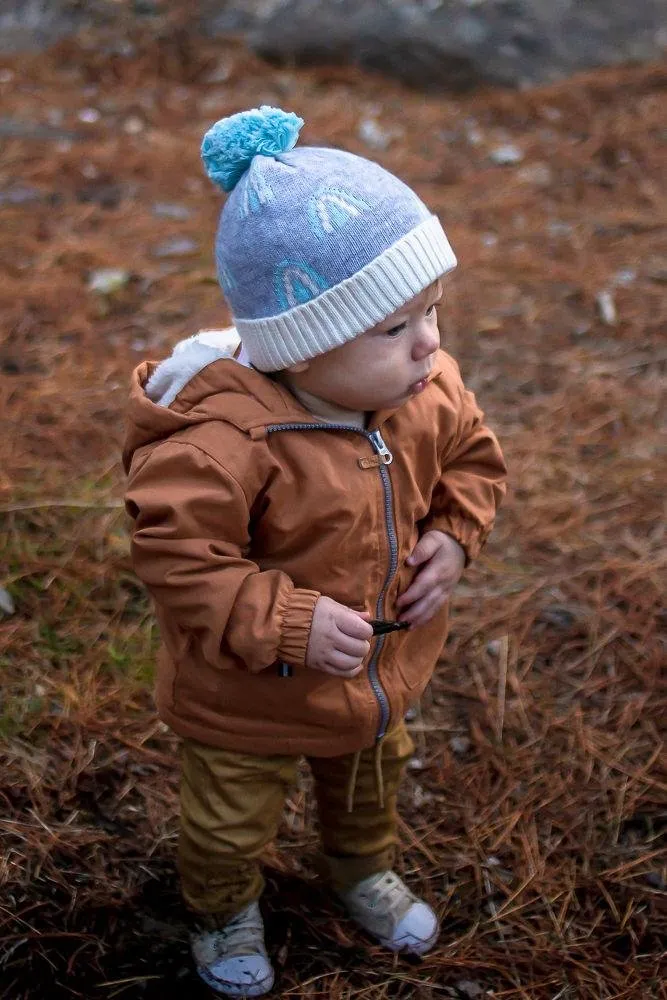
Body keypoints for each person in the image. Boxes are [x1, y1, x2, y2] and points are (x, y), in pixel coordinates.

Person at [123, 106, 507, 998]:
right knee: (228, 819)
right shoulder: (223, 441)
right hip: (246, 696)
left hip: (376, 678)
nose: (430, 343)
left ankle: (359, 867)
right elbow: (179, 556)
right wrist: (287, 619)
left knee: (373, 781)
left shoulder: (427, 391)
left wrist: (455, 535)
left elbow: (473, 460)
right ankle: (222, 908)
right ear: (302, 342)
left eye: (433, 309)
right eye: (392, 327)